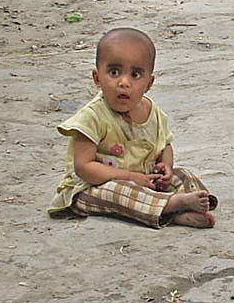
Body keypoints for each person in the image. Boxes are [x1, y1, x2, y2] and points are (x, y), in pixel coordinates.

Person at [48, 28, 217, 228]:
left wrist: (166, 167)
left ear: (149, 83)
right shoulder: (92, 117)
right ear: (97, 77)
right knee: (119, 191)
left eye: (136, 74)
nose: (124, 82)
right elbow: (83, 167)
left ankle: (179, 212)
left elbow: (165, 145)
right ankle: (172, 205)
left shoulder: (153, 113)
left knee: (183, 174)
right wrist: (129, 177)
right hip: (92, 188)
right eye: (114, 72)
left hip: (144, 181)